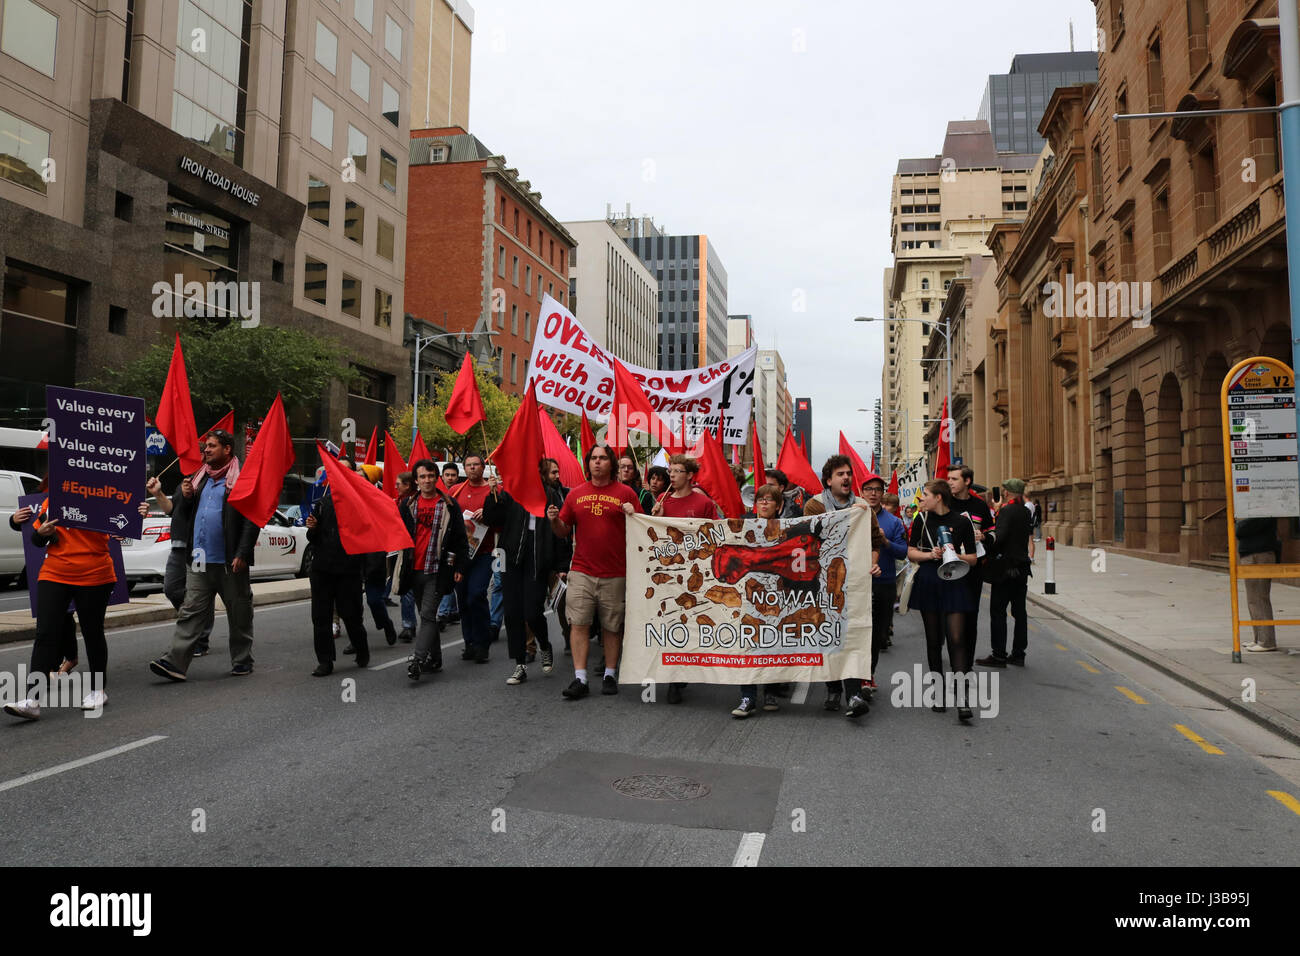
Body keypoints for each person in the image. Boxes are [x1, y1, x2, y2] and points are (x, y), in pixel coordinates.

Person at [148, 429, 259, 682]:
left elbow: (251, 521)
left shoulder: (241, 480)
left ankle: (242, 660)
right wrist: (186, 498)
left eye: (211, 446)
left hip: (230, 562)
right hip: (197, 560)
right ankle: (175, 662)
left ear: (227, 449)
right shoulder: (198, 480)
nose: (206, 450)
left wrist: (242, 553)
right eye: (205, 447)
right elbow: (178, 514)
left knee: (239, 613)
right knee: (190, 611)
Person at [3, 499, 117, 719]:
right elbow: (37, 540)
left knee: (92, 631)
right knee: (45, 633)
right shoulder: (53, 498)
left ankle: (98, 691)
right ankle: (32, 700)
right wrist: (43, 532)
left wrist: (138, 512)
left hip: (95, 573)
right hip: (55, 573)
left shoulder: (105, 494)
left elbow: (125, 522)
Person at [548, 443, 641, 699]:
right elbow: (563, 531)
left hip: (616, 573)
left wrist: (635, 515)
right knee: (579, 624)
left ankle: (610, 674)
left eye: (602, 458)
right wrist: (554, 520)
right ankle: (580, 679)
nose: (597, 462)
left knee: (612, 627)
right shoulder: (575, 494)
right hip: (582, 572)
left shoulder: (626, 493)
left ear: (611, 463)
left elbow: (644, 530)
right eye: (593, 458)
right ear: (588, 464)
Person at [804, 455, 885, 717]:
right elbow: (809, 541)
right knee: (829, 636)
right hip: (825, 583)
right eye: (840, 474)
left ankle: (853, 694)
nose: (847, 478)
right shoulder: (815, 506)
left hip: (856, 584)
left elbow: (875, 541)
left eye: (849, 473)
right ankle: (833, 689)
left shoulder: (862, 507)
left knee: (851, 635)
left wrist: (873, 563)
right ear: (829, 480)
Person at [482, 458, 568, 685]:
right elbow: (493, 519)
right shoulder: (511, 493)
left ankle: (545, 644)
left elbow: (559, 529)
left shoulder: (551, 494)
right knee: (512, 613)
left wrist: (561, 566)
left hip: (537, 560)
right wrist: (492, 495)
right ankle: (519, 663)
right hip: (509, 558)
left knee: (532, 611)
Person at [907, 479, 979, 721]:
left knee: (957, 639)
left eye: (925, 495)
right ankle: (938, 692)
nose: (921, 499)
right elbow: (911, 553)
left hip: (955, 580)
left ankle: (962, 698)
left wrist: (953, 553)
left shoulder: (961, 521)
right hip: (930, 580)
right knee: (934, 639)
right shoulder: (921, 519)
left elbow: (973, 558)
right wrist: (930, 554)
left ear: (938, 497)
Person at [652, 454, 720, 705]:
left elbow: (714, 534)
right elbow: (654, 536)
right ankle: (674, 677)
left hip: (695, 575)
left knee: (690, 622)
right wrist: (655, 516)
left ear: (690, 475)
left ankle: (684, 671)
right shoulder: (662, 500)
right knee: (671, 622)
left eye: (678, 471)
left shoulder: (703, 503)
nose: (671, 475)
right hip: (668, 574)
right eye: (671, 470)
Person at [399, 459, 468, 680]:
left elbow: (459, 538)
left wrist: (460, 565)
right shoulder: (408, 505)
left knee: (428, 614)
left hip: (437, 570)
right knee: (425, 616)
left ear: (435, 477)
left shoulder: (449, 504)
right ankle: (435, 659)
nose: (427, 480)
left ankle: (418, 660)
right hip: (414, 568)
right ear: (416, 481)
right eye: (422, 477)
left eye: (431, 476)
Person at [306, 461, 370, 675]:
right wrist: (312, 528)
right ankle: (325, 661)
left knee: (350, 615)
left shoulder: (360, 502)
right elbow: (312, 538)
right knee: (320, 617)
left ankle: (361, 648)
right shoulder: (322, 502)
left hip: (348, 569)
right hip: (322, 568)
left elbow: (368, 535)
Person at [141, 473, 215, 656]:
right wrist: (158, 493)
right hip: (178, 545)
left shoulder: (209, 480)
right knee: (171, 589)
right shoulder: (186, 479)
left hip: (199, 546)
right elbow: (172, 509)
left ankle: (200, 639)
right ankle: (193, 624)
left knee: (199, 593)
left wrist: (191, 494)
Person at [731, 483, 786, 718]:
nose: (764, 503)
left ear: (778, 505)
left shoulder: (786, 528)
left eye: (769, 499)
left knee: (772, 642)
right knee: (748, 643)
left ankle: (771, 691)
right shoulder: (741, 524)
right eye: (760, 499)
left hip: (775, 594)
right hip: (748, 592)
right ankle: (748, 697)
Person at [977, 478, 1033, 667]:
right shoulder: (1025, 510)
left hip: (1006, 569)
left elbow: (999, 537)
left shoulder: (1007, 511)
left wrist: (985, 538)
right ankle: (1019, 653)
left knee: (998, 611)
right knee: (1020, 612)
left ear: (1006, 493)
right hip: (1022, 567)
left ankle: (999, 654)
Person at [449, 454, 500, 663]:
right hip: (460, 556)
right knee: (462, 599)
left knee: (476, 595)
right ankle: (469, 642)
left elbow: (502, 521)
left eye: (476, 465)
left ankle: (482, 643)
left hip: (484, 553)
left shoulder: (493, 490)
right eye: (468, 465)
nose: (472, 468)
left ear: (483, 467)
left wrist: (488, 512)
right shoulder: (455, 491)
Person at [947, 466, 994, 672]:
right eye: (948, 478)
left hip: (973, 569)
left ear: (967, 481)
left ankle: (967, 663)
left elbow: (992, 530)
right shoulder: (945, 503)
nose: (950, 482)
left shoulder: (979, 505)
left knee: (970, 617)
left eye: (954, 479)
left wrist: (984, 536)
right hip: (949, 568)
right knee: (950, 617)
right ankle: (954, 658)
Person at [862, 473, 908, 679]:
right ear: (862, 492)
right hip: (856, 584)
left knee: (876, 635)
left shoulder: (894, 522)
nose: (873, 494)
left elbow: (903, 551)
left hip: (884, 582)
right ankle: (854, 678)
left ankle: (868, 675)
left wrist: (885, 541)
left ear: (883, 493)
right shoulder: (853, 515)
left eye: (878, 490)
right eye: (869, 489)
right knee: (856, 635)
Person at [1238, 516, 1282, 652]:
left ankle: (1267, 641)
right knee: (1253, 599)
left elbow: (1240, 530)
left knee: (1259, 597)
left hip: (1259, 554)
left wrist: (1239, 523)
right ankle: (1259, 638)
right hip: (1252, 554)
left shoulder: (1263, 510)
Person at [435, 463, 463, 626]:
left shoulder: (460, 493)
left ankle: (444, 612)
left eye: (453, 475)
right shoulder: (437, 495)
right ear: (442, 477)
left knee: (450, 574)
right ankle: (450, 610)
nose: (450, 478)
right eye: (447, 475)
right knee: (446, 576)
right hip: (440, 544)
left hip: (456, 544)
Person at [392, 471, 417, 642]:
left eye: (398, 484)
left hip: (421, 553)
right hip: (407, 552)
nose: (396, 487)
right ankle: (408, 625)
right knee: (406, 590)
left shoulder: (415, 502)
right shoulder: (402, 503)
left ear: (408, 485)